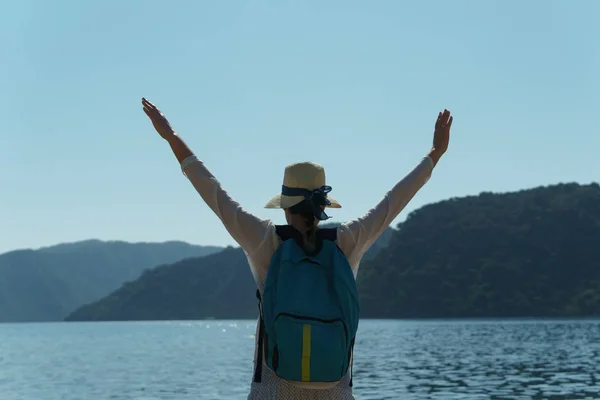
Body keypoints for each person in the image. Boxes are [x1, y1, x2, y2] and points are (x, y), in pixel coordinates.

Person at [141, 97, 453, 399]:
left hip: (274, 388)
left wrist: (171, 136)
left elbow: (212, 190)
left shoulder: (263, 238)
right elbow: (394, 200)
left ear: (285, 206)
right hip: (336, 388)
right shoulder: (347, 240)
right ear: (322, 206)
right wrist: (434, 154)